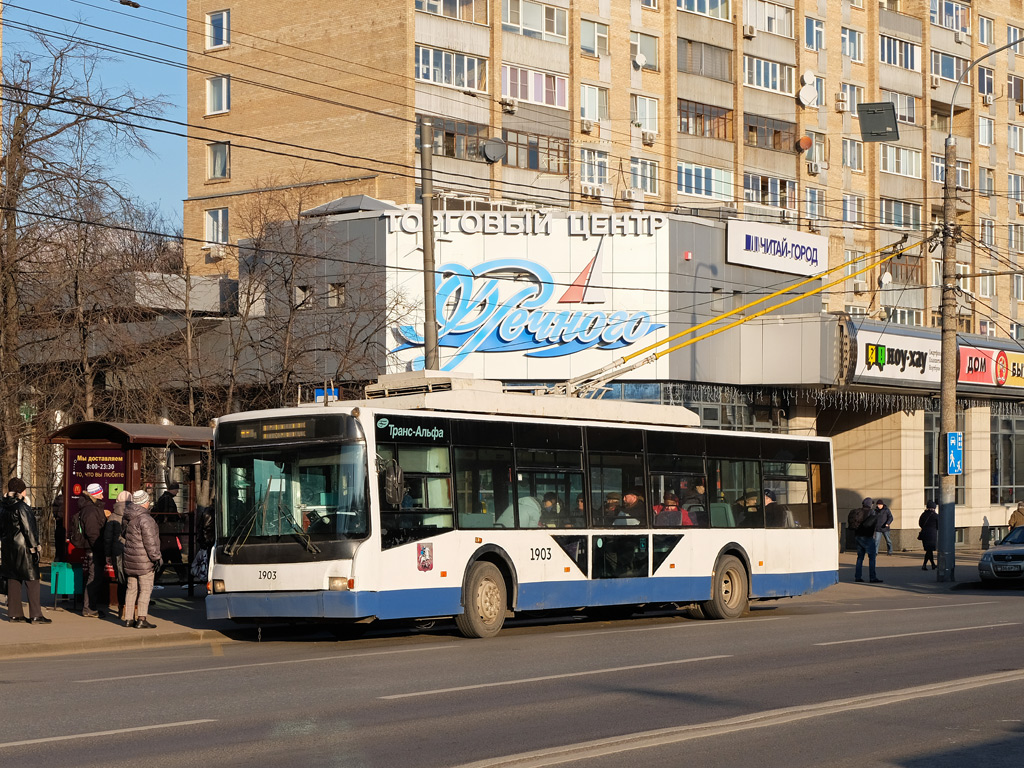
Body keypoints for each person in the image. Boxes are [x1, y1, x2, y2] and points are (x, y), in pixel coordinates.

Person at [1, 478, 52, 624]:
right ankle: (36, 614)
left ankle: (15, 614)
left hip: (8, 549)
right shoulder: (22, 507)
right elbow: (28, 530)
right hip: (24, 549)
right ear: (21, 491)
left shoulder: (3, 507)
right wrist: (35, 548)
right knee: (32, 580)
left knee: (13, 579)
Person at [122, 489, 161, 629]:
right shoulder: (146, 519)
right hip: (144, 562)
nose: (149, 503)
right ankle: (141, 619)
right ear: (144, 502)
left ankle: (128, 619)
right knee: (145, 589)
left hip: (130, 559)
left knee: (131, 589)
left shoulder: (128, 517)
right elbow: (151, 542)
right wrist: (156, 558)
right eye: (148, 500)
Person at [79, 483, 108, 617]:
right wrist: (99, 549)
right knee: (94, 578)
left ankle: (91, 607)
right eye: (100, 493)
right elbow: (92, 533)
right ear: (94, 494)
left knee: (95, 578)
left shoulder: (91, 508)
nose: (103, 495)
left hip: (94, 547)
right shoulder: (91, 510)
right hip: (94, 548)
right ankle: (89, 608)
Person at [104, 490, 131, 619]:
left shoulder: (113, 517)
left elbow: (108, 538)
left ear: (117, 501)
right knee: (132, 580)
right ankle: (132, 608)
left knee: (121, 580)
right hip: (132, 551)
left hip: (117, 552)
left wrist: (108, 554)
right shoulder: (134, 515)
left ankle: (121, 608)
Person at [153, 481, 186, 583]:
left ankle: (157, 577)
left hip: (164, 530)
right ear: (174, 489)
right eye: (177, 489)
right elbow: (170, 515)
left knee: (168, 555)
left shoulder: (163, 498)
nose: (177, 492)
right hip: (168, 530)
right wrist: (179, 517)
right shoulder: (168, 499)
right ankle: (183, 577)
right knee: (173, 554)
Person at [848, 497, 882, 583]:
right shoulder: (871, 512)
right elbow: (874, 523)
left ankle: (858, 577)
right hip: (867, 537)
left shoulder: (858, 512)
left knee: (860, 557)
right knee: (872, 557)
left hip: (858, 536)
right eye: (872, 503)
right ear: (869, 504)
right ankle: (872, 577)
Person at [918, 500, 939, 570]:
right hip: (932, 534)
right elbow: (939, 525)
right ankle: (924, 565)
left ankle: (933, 564)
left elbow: (920, 523)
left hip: (924, 534)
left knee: (929, 550)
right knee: (929, 550)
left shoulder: (923, 514)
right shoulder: (935, 515)